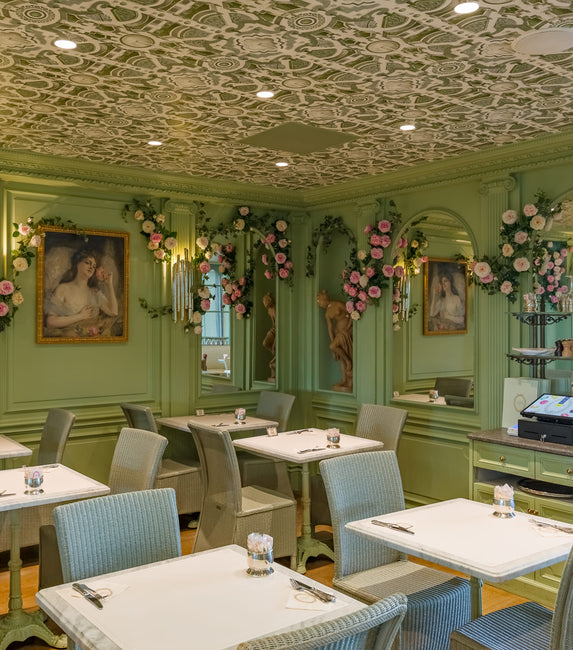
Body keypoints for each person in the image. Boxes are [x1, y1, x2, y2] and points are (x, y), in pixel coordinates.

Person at [44, 248, 119, 338]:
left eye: (94, 266)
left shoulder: (94, 292)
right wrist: (80, 316)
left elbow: (114, 312)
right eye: (87, 263)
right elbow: (50, 322)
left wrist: (109, 285)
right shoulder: (63, 289)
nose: (91, 267)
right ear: (77, 264)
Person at [316, 290, 353, 392]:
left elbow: (351, 314)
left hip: (346, 332)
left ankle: (348, 362)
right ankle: (344, 379)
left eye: (320, 302)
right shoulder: (327, 313)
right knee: (339, 355)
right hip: (339, 333)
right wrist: (333, 340)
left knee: (334, 347)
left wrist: (348, 327)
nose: (320, 305)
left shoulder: (338, 304)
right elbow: (330, 328)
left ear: (324, 298)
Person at [262, 292, 276, 381]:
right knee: (265, 343)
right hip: (273, 330)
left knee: (274, 347)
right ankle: (275, 356)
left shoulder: (275, 309)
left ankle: (275, 359)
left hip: (277, 330)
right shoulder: (270, 310)